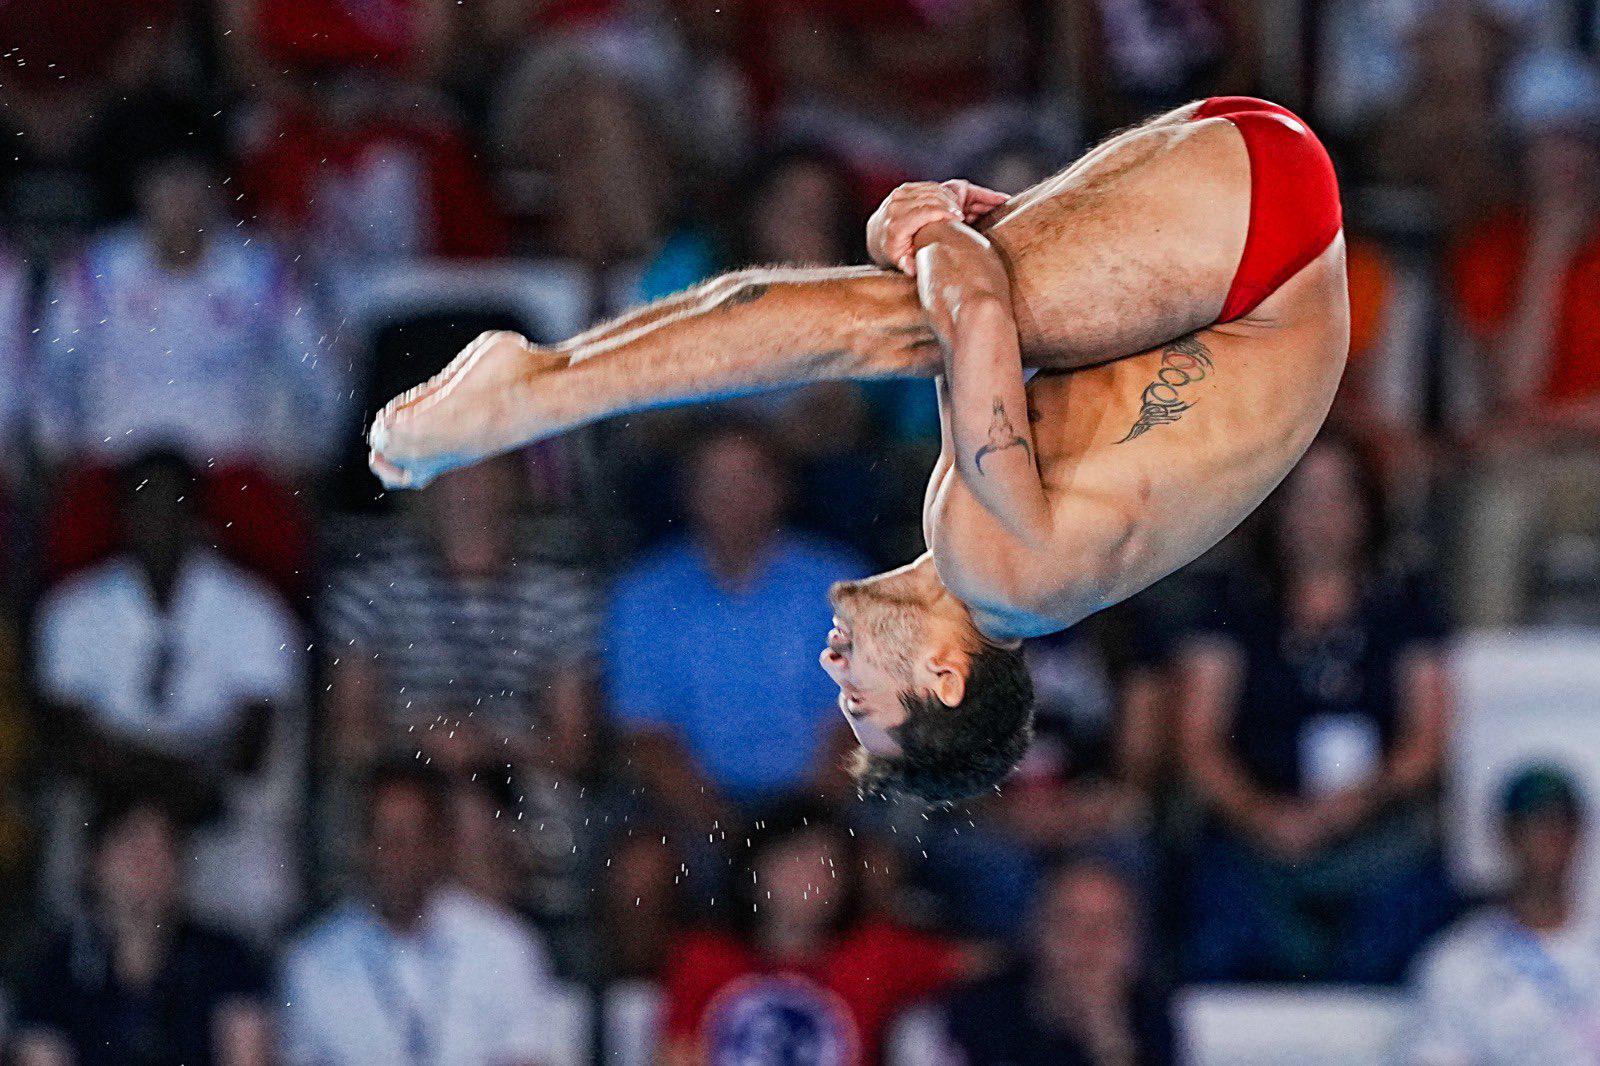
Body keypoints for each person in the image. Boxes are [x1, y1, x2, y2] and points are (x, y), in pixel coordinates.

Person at [369, 96, 1350, 803]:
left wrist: (935, 247)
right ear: (945, 675)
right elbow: (964, 305)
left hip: (1247, 231)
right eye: (859, 697)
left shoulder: (996, 557)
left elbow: (983, 308)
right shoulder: (1004, 569)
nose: (833, 667)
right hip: (1258, 252)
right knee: (892, 323)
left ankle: (546, 382)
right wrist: (917, 227)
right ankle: (538, 393)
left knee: (895, 313)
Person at [1177, 431, 1454, 983]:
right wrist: (1260, 815)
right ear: (1275, 505)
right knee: (1217, 912)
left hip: (1373, 826)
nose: (1320, 516)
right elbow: (1197, 741)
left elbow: (1428, 740)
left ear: (1366, 508)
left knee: (1410, 905)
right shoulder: (1234, 606)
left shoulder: (1405, 607)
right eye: (1304, 497)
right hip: (1256, 827)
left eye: (1338, 497)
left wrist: (1353, 805)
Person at [34, 449, 305, 937]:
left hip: (211, 805)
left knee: (257, 871)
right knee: (71, 838)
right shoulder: (72, 611)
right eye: (142, 506)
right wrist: (159, 782)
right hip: (111, 811)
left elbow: (252, 748)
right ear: (121, 516)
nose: (156, 520)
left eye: (170, 504)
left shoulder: (255, 611)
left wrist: (158, 780)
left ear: (197, 515)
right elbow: (68, 742)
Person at [605, 420, 866, 818]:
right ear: (687, 493)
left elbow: (862, 713)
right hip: (693, 810)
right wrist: (721, 824)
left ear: (784, 487)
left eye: (751, 477)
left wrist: (806, 820)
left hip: (822, 802)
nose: (736, 497)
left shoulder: (841, 583)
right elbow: (644, 735)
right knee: (643, 871)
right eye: (716, 480)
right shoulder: (644, 594)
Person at [281, 760, 560, 1066]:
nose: (399, 855)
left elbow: (527, 1056)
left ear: (441, 845)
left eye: (413, 838)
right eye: (386, 838)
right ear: (361, 846)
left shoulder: (504, 945)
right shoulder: (312, 962)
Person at [658, 803, 982, 1065]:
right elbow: (678, 1054)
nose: (813, 880)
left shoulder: (875, 953)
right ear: (753, 871)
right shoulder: (703, 956)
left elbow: (982, 961)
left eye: (828, 867)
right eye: (798, 859)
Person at [10, 788, 274, 1066]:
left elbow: (247, 1055)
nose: (149, 864)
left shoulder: (226, 958)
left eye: (165, 848)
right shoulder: (54, 970)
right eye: (133, 845)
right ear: (95, 860)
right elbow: (40, 1056)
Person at [1405, 764, 1600, 1065]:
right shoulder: (1458, 960)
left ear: (1580, 833)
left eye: (1562, 824)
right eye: (1535, 824)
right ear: (1506, 833)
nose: (1550, 838)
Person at [937, 857, 1174, 1066]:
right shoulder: (969, 1023)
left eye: (1109, 925)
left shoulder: (1176, 1025)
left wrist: (1110, 1045)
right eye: (1069, 921)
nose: (1089, 940)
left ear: (1136, 943)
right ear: (1036, 933)